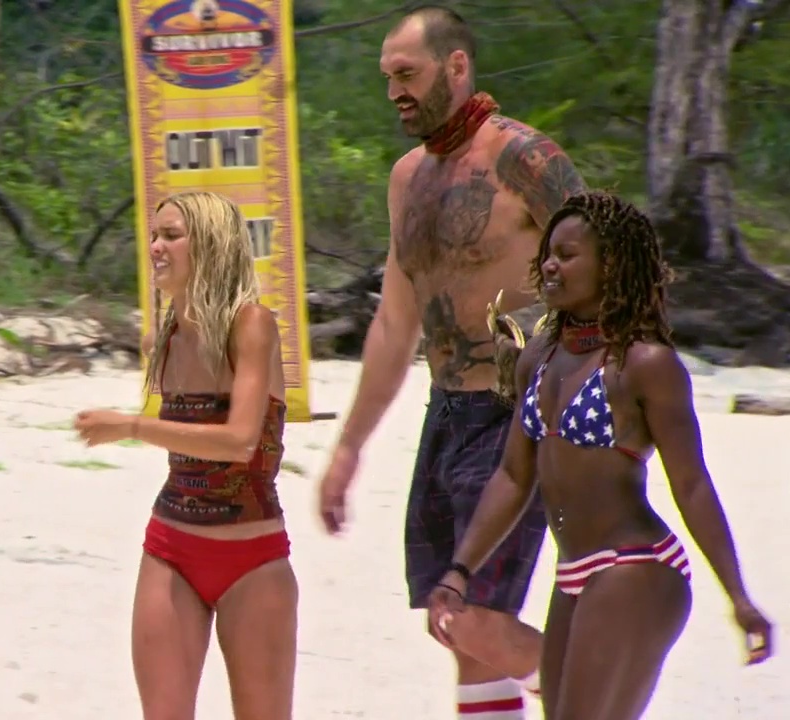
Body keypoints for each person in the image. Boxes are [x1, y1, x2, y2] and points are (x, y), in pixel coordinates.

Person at [316, 5, 589, 717]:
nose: (394, 92)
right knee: (455, 629)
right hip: (446, 416)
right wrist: (348, 447)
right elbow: (394, 322)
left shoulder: (526, 159)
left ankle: (599, 696)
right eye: (387, 78)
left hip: (518, 415)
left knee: (468, 616)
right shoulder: (407, 178)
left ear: (456, 66)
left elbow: (611, 269)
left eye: (407, 74)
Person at [426, 190, 775, 719]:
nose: (550, 264)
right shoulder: (538, 356)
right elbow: (514, 477)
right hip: (574, 573)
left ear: (610, 265)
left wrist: (739, 597)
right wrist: (458, 571)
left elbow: (691, 484)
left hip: (636, 566)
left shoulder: (646, 364)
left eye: (567, 255)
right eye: (548, 253)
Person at [74, 190, 296, 720]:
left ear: (212, 245)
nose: (155, 246)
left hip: (253, 556)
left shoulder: (252, 325)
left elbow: (240, 440)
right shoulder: (164, 338)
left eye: (171, 236)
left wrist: (131, 426)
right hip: (171, 547)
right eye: (154, 235)